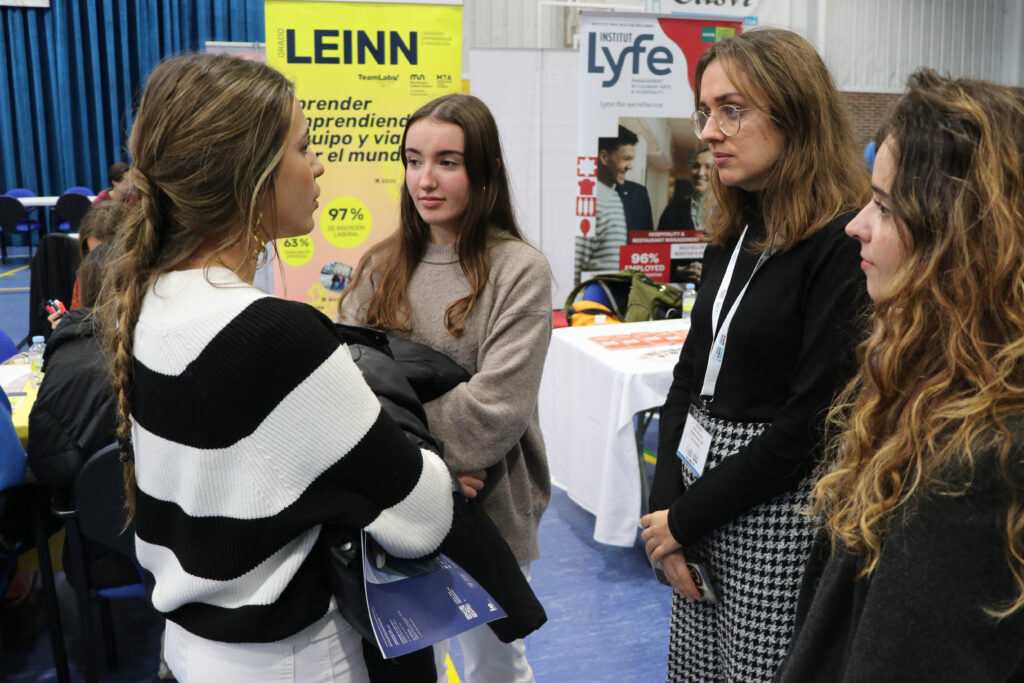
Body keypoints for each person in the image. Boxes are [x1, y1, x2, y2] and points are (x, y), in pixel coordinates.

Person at [93, 53, 455, 682]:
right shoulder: (270, 335)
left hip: (186, 654)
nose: (318, 165)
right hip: (290, 662)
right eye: (303, 147)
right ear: (251, 176)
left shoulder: (151, 300)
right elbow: (422, 518)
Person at [776, 70, 1024, 682]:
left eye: (884, 207)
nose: (855, 225)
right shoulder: (937, 388)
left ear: (962, 245)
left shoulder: (976, 459)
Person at [640, 28, 870, 682]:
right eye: (705, 111)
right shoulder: (735, 231)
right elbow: (689, 376)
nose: (711, 131)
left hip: (776, 516)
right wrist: (665, 513)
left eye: (731, 110)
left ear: (795, 114)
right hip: (702, 498)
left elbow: (807, 425)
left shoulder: (840, 242)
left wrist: (683, 516)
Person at [339, 92, 552, 683]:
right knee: (410, 658)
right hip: (398, 500)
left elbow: (499, 403)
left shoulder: (519, 271)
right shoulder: (379, 267)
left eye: (447, 162)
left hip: (490, 502)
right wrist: (426, 475)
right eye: (413, 160)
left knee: (492, 663)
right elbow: (353, 391)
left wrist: (413, 458)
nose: (424, 179)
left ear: (485, 173)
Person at [574, 125, 654, 281]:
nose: (630, 166)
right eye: (626, 159)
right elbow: (576, 263)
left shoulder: (618, 196)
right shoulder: (590, 198)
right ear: (604, 157)